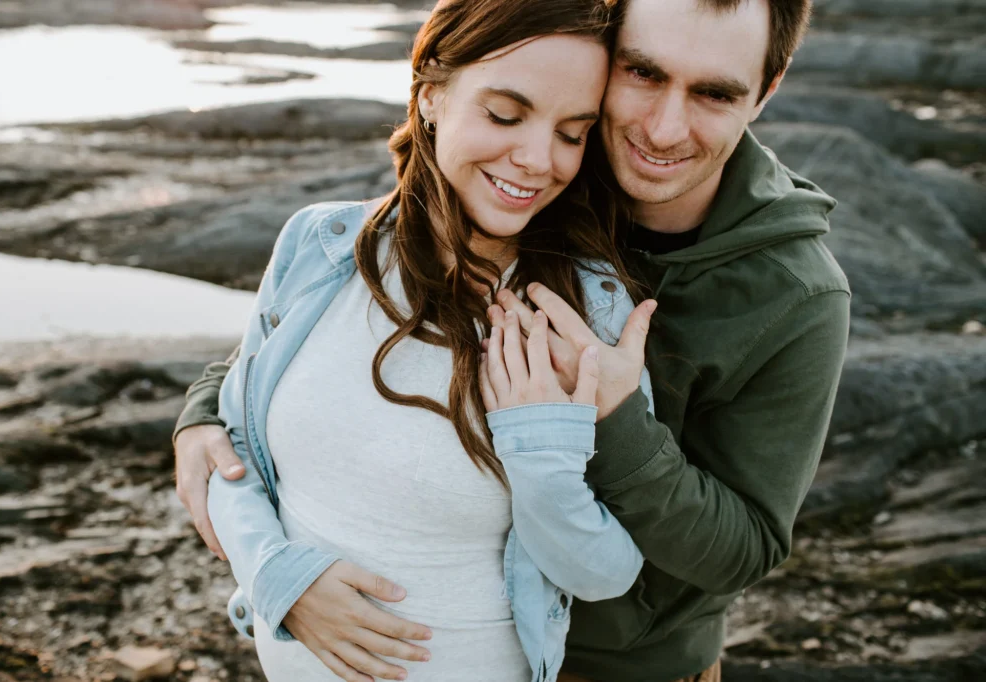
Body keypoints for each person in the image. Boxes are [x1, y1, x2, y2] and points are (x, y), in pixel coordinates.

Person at [175, 0, 851, 680]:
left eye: (714, 93)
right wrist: (207, 412)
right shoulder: (544, 162)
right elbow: (324, 334)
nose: (663, 127)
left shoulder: (795, 295)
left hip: (617, 664)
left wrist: (614, 421)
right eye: (643, 73)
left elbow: (744, 548)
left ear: (768, 86)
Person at [197, 0, 659, 680]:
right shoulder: (317, 247)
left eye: (572, 133)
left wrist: (540, 454)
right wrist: (277, 578)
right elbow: (228, 447)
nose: (538, 160)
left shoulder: (582, 313)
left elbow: (605, 574)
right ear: (431, 94)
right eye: (505, 114)